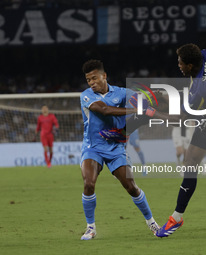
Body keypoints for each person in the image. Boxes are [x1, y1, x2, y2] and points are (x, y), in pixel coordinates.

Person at [101, 44, 206, 237]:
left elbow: (181, 119)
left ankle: (177, 217)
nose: (179, 66)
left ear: (190, 66)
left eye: (181, 63)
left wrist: (155, 113)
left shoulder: (199, 86)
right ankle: (123, 132)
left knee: (190, 164)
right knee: (154, 101)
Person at [79, 59, 159, 240]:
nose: (91, 83)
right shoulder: (86, 95)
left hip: (115, 147)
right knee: (89, 183)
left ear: (104, 76)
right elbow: (105, 110)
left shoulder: (122, 93)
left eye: (94, 78)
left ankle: (152, 222)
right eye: (88, 80)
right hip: (93, 147)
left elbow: (142, 98)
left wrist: (149, 99)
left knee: (131, 187)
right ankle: (90, 227)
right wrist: (134, 110)